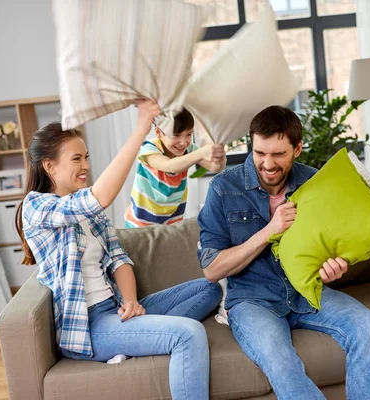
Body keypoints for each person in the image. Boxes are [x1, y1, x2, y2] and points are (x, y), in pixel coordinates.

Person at [15, 100, 222, 399]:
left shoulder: (89, 210)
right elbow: (101, 197)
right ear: (49, 165)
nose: (86, 165)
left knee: (211, 288)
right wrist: (141, 129)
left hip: (116, 310)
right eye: (76, 159)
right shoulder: (36, 206)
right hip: (90, 325)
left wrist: (130, 303)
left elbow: (118, 259)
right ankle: (147, 336)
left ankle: (141, 335)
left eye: (86, 157)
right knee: (187, 335)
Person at [197, 105, 370, 399]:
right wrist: (268, 231)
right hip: (252, 301)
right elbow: (211, 269)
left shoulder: (313, 183)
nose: (267, 163)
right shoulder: (224, 188)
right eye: (260, 153)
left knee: (367, 323)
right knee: (279, 357)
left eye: (278, 154)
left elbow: (328, 246)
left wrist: (333, 268)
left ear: (297, 149)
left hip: (306, 292)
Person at [125, 108, 226, 227]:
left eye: (188, 134)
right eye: (176, 135)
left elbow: (215, 168)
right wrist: (201, 153)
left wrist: (220, 155)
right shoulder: (149, 148)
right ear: (158, 132)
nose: (183, 142)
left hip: (171, 222)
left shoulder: (189, 150)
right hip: (140, 223)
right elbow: (170, 166)